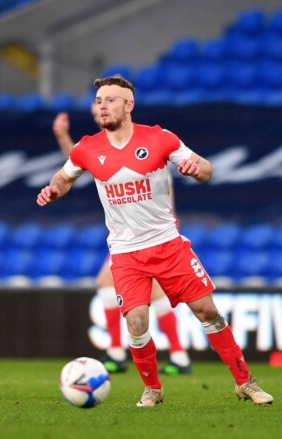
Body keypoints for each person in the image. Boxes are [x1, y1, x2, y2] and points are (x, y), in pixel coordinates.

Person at [38, 75, 273, 407]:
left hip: (167, 244)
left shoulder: (160, 138)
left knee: (206, 310)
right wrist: (54, 190)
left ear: (129, 105)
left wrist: (196, 169)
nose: (102, 106)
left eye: (110, 100)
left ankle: (245, 382)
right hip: (125, 252)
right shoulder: (87, 148)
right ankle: (152, 389)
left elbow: (206, 168)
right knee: (136, 321)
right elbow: (63, 178)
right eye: (99, 101)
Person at [53, 110, 192, 375]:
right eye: (95, 113)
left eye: (102, 111)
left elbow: (160, 185)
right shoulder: (104, 148)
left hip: (147, 233)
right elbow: (77, 162)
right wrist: (63, 137)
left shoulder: (140, 144)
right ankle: (175, 356)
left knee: (113, 283)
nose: (99, 117)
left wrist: (170, 221)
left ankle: (120, 352)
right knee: (148, 292)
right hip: (131, 235)